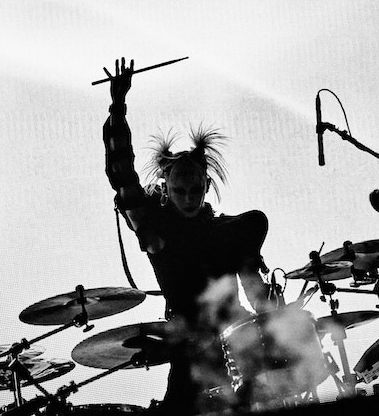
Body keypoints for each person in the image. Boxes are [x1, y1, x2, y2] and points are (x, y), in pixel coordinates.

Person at [102, 57, 275, 414]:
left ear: (207, 185)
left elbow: (253, 286)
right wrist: (117, 108)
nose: (189, 198)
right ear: (166, 187)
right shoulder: (153, 227)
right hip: (189, 343)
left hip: (239, 335)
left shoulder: (231, 230)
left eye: (195, 189)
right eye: (180, 191)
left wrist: (275, 321)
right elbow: (122, 173)